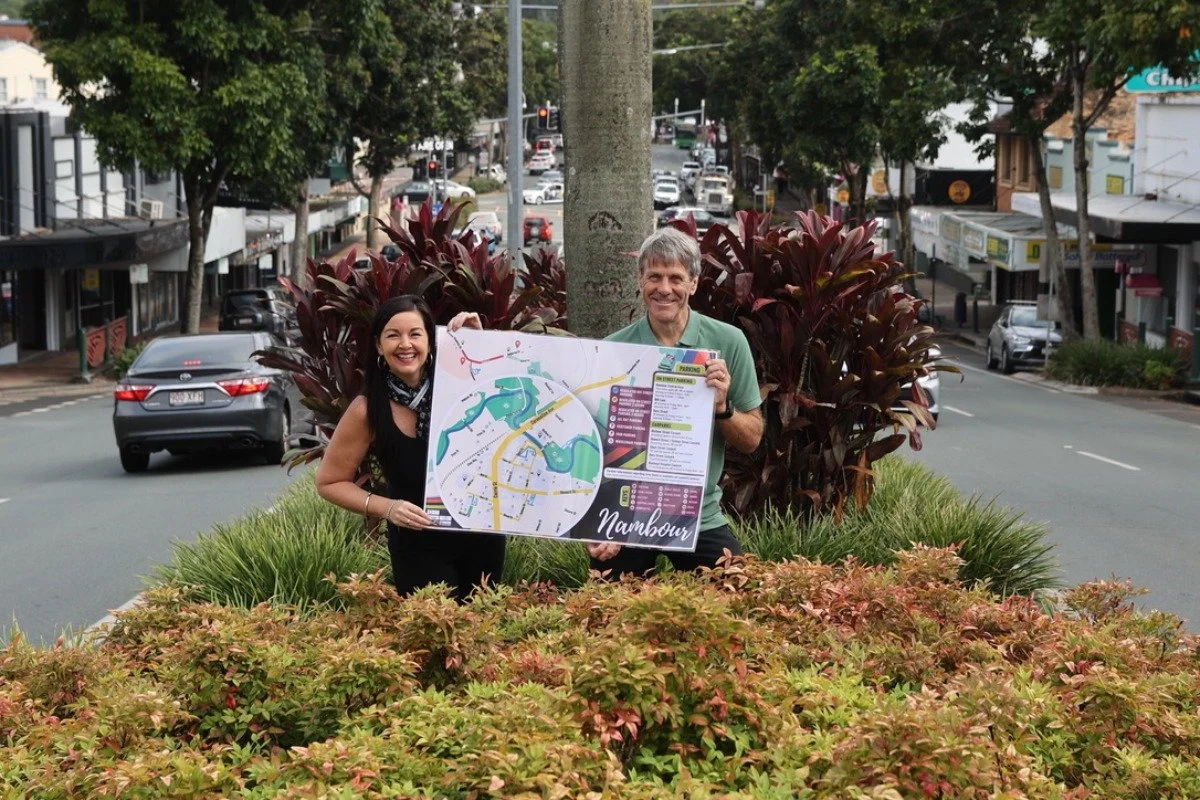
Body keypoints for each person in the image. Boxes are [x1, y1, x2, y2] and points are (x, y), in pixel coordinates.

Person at [589, 226, 764, 577]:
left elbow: (752, 440)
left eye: (676, 278)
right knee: (609, 604)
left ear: (694, 284)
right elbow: (593, 448)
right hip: (626, 515)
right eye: (654, 276)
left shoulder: (728, 342)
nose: (664, 288)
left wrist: (722, 409)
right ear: (640, 281)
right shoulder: (612, 350)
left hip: (698, 513)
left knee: (738, 589)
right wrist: (596, 522)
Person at [315, 296, 503, 601]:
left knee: (486, 625)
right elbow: (329, 482)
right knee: (434, 630)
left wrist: (476, 342)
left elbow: (509, 395)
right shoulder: (367, 410)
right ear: (379, 346)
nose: (405, 344)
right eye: (393, 335)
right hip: (419, 547)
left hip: (482, 537)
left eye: (415, 334)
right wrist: (388, 508)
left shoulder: (462, 389)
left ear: (430, 341)